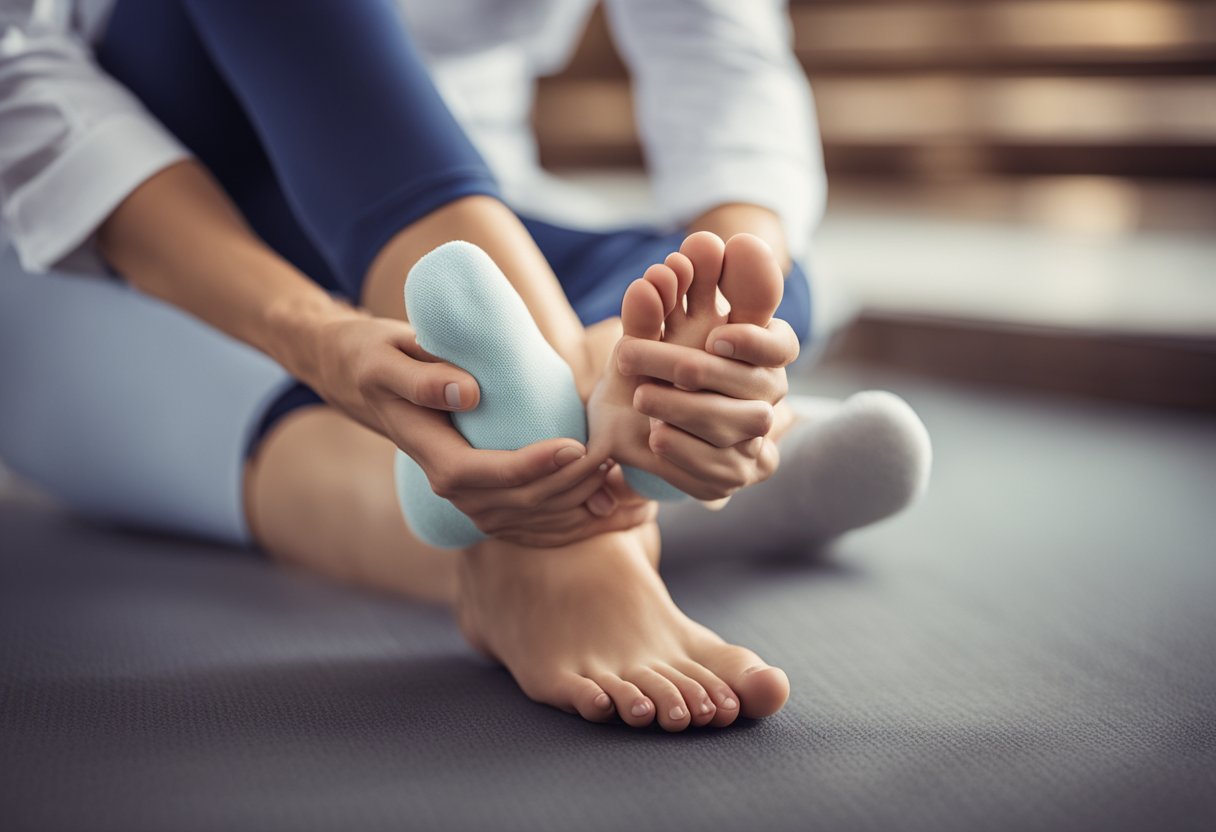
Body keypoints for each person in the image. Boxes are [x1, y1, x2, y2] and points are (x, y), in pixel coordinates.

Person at [0, 0, 931, 730]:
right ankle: (578, 530)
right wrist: (315, 335)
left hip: (484, 221)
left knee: (763, 273)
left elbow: (719, 50)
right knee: (277, 404)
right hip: (120, 243)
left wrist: (727, 315)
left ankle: (584, 412)